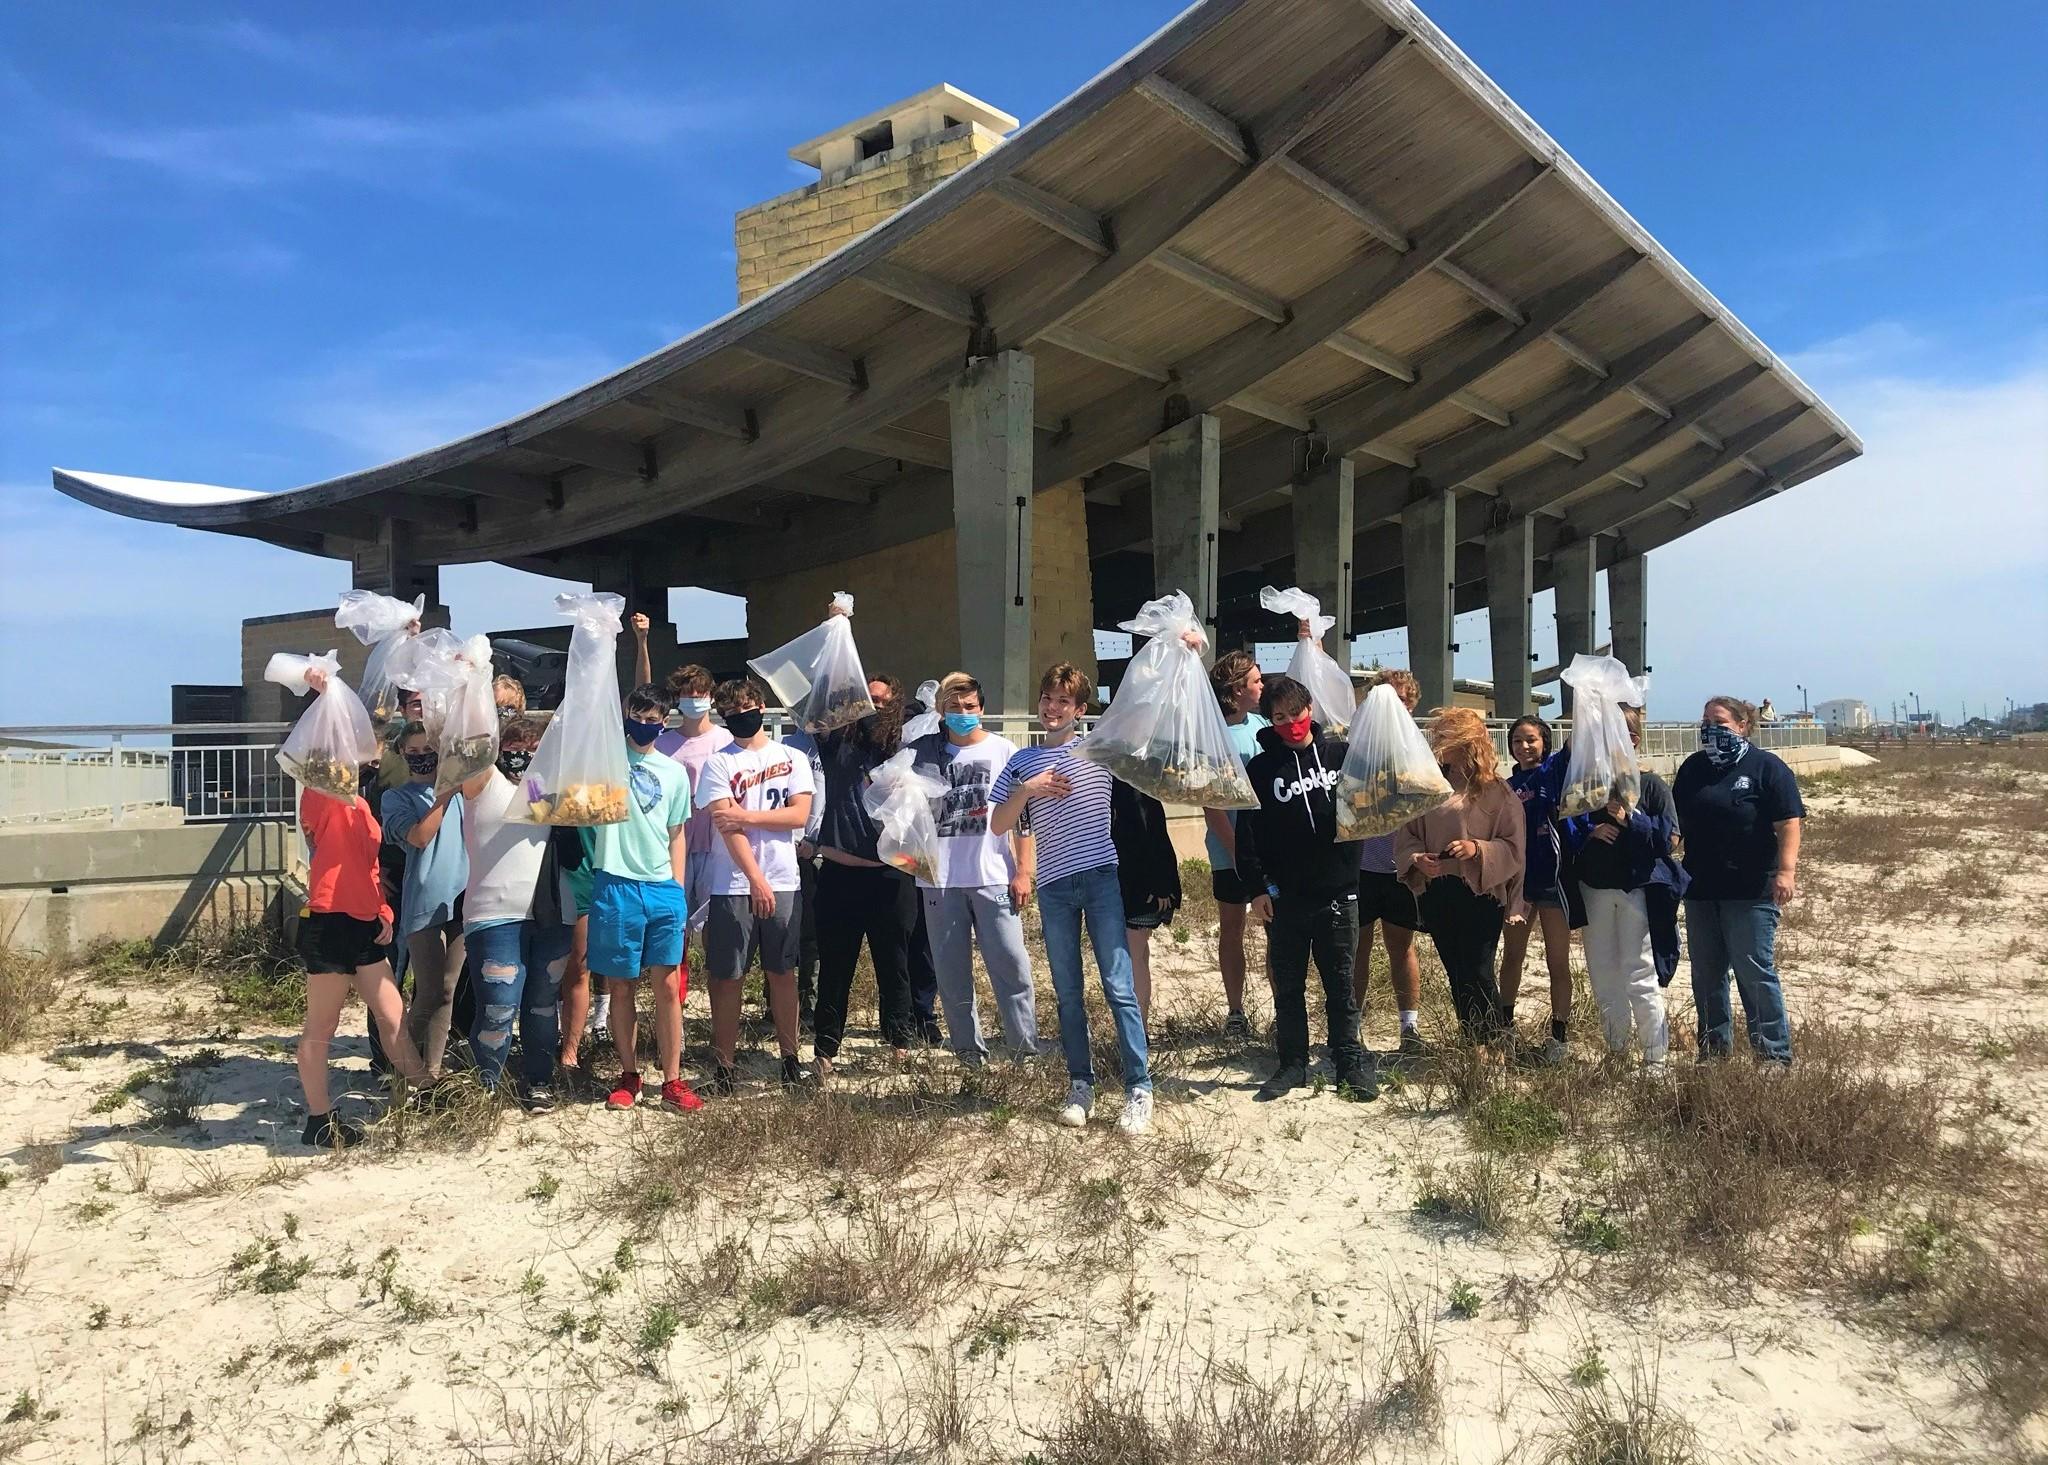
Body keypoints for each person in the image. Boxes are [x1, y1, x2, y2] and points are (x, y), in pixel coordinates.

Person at [990, 662, 1152, 1133]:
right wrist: (1027, 789)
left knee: (1119, 987)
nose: (1052, 708)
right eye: (1046, 699)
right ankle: (1081, 1085)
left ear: (1080, 709)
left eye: (1063, 701)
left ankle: (1139, 1088)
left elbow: (1143, 713)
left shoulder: (1098, 747)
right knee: (1067, 993)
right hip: (1055, 886)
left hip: (1101, 878)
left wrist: (1172, 649)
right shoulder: (1022, 761)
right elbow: (999, 823)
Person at [293, 667, 434, 1147]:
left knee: (393, 1015)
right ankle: (318, 1119)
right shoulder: (321, 798)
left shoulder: (361, 804)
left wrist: (384, 912)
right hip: (329, 922)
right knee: (322, 1026)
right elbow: (315, 747)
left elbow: (369, 867)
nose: (367, 745)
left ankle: (427, 1093)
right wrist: (323, 694)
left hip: (363, 924)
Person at [1235, 674, 1376, 1102]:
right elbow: (1248, 835)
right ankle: (1292, 1062)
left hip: (1338, 891)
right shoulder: (1261, 769)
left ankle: (1348, 1059)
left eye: (1295, 713)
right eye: (1279, 717)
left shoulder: (1341, 755)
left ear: (1309, 710)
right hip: (1286, 897)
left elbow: (1371, 805)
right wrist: (1257, 888)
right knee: (1289, 985)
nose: (1290, 723)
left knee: (1340, 982)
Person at [907, 673, 1040, 1070]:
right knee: (951, 976)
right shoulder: (922, 754)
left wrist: (1023, 871)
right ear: (941, 711)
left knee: (1011, 967)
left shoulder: (1003, 751)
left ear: (982, 708)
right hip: (940, 880)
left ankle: (1023, 1052)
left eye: (970, 707)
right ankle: (969, 1055)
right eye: (954, 707)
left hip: (993, 875)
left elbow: (1024, 817)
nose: (963, 714)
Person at [696, 677, 815, 1090]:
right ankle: (724, 1067)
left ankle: (789, 1060)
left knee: (782, 972)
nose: (740, 718)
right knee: (727, 976)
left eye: (745, 710)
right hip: (732, 882)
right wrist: (754, 879)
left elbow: (798, 815)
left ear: (760, 708)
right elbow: (724, 825)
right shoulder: (719, 762)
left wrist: (747, 816)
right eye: (730, 715)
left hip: (784, 878)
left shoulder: (792, 756)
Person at [1673, 695, 1804, 1065]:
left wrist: (1786, 871)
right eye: (1704, 722)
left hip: (1751, 891)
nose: (1709, 730)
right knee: (1707, 973)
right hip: (1701, 890)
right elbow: (1678, 825)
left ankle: (1773, 1055)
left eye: (1719, 723)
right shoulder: (1693, 769)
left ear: (1743, 725)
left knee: (1754, 971)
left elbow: (1788, 823)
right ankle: (1714, 1051)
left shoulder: (1767, 768)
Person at [455, 716, 576, 1106]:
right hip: (494, 914)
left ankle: (538, 1082)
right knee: (498, 1007)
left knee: (542, 1004)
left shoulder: (550, 791)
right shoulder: (484, 784)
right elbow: (462, 739)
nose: (523, 755)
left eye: (532, 748)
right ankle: (485, 1088)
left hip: (554, 913)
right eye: (513, 748)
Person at [589, 683, 696, 1113]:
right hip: (615, 883)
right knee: (620, 985)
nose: (645, 724)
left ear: (665, 720)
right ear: (625, 714)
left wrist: (677, 888)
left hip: (661, 889)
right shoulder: (604, 762)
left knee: (668, 986)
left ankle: (672, 1077)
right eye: (638, 715)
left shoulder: (673, 773)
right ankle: (629, 1074)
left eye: (654, 718)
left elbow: (678, 834)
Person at [1561, 704, 1685, 1075]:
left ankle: (1654, 1056)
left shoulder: (1651, 785)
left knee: (1639, 972)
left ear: (1631, 740)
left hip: (1637, 891)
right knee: (1603, 973)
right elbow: (1564, 818)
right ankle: (1616, 1051)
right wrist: (1589, 830)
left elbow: (1672, 838)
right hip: (1594, 889)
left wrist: (1629, 817)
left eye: (1610, 736)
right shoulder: (1589, 783)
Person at [809, 675, 921, 1076]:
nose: (871, 709)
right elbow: (816, 707)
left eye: (879, 701)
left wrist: (895, 715)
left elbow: (924, 712)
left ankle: (899, 1043)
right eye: (864, 701)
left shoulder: (904, 745)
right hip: (840, 873)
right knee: (836, 966)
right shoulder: (838, 741)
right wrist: (837, 627)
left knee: (894, 963)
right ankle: (825, 1051)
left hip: (891, 876)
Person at [1396, 707, 1525, 1043]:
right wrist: (1417, 858)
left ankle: (1496, 1038)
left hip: (1481, 891)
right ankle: (1473, 1038)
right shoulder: (1430, 785)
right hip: (1439, 890)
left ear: (1467, 743)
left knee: (1478, 969)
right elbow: (1407, 833)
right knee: (1455, 968)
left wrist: (1477, 850)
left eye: (1445, 737)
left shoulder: (1497, 791)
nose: (1438, 743)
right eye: (1437, 736)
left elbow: (1513, 847)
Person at [380, 721, 469, 1080]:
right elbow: (417, 837)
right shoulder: (396, 798)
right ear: (401, 754)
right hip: (423, 904)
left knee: (448, 991)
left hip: (462, 903)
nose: (420, 758)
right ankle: (403, 1069)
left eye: (426, 750)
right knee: (428, 991)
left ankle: (431, 1070)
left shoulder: (465, 793)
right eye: (411, 752)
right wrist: (444, 795)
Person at [1351, 668, 1428, 1055]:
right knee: (1357, 948)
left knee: (1402, 947)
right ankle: (1354, 1027)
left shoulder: (1419, 750)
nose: (1393, 706)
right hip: (1361, 865)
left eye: (1400, 699)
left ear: (1410, 704)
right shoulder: (1358, 746)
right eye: (1385, 698)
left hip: (1401, 866)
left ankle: (1409, 1029)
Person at [1500, 714, 1576, 1064]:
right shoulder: (1505, 786)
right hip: (1519, 884)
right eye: (1517, 740)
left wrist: (1589, 698)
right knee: (1512, 956)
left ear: (1544, 742)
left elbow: (1574, 746)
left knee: (1557, 961)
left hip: (1553, 880)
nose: (1524, 746)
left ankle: (1559, 1037)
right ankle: (1505, 1028)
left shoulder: (1552, 773)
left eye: (1531, 739)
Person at [1201, 650, 1268, 1041]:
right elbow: (1212, 805)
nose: (1262, 687)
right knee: (1233, 927)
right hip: (1228, 851)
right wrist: (1240, 855)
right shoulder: (1212, 734)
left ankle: (1281, 1008)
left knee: (1276, 929)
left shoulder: (1262, 727)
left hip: (1269, 850)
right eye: (1256, 681)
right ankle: (1236, 1011)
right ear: (1237, 688)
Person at [1111, 776, 1180, 1027]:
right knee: (1138, 952)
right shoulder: (1114, 774)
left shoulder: (1135, 778)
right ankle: (1140, 1024)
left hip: (1144, 882)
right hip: (1123, 877)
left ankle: (1139, 1027)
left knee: (1133, 952)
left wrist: (1160, 883)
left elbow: (1152, 829)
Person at [779, 719, 826, 1035]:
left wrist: (817, 842)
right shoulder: (786, 748)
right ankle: (778, 1005)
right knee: (782, 932)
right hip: (789, 850)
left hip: (822, 852)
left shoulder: (836, 745)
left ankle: (807, 1004)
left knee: (814, 934)